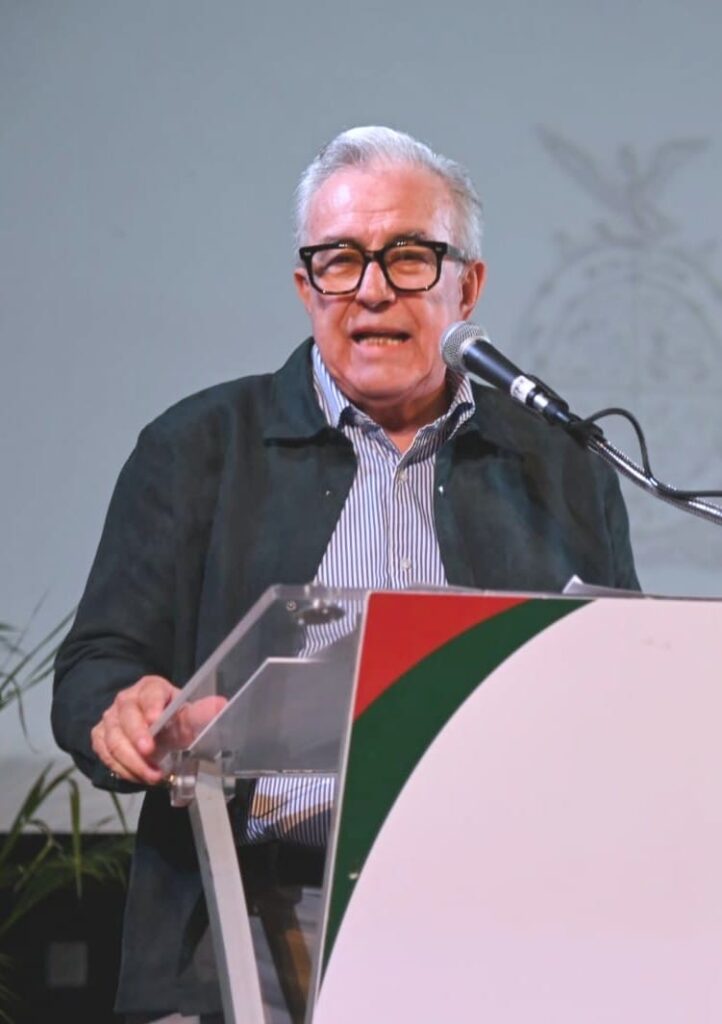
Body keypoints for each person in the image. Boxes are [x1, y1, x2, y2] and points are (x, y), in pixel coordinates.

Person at [52, 126, 639, 1023]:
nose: (370, 290)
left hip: (504, 919)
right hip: (252, 919)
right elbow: (96, 665)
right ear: (306, 288)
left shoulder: (560, 466)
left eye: (408, 257)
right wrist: (127, 711)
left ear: (467, 285)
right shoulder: (197, 449)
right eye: (338, 260)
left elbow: (622, 681)